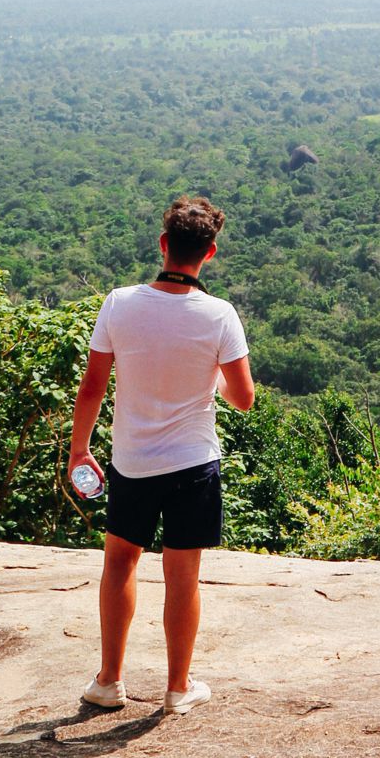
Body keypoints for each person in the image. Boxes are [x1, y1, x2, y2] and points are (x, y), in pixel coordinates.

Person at [69, 194, 255, 715]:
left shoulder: (119, 303)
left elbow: (92, 387)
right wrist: (210, 376)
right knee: (182, 575)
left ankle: (109, 681)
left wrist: (79, 449)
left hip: (132, 460)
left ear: (163, 244)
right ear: (210, 253)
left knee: (120, 563)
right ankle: (177, 688)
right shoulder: (220, 316)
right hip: (194, 463)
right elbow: (243, 399)